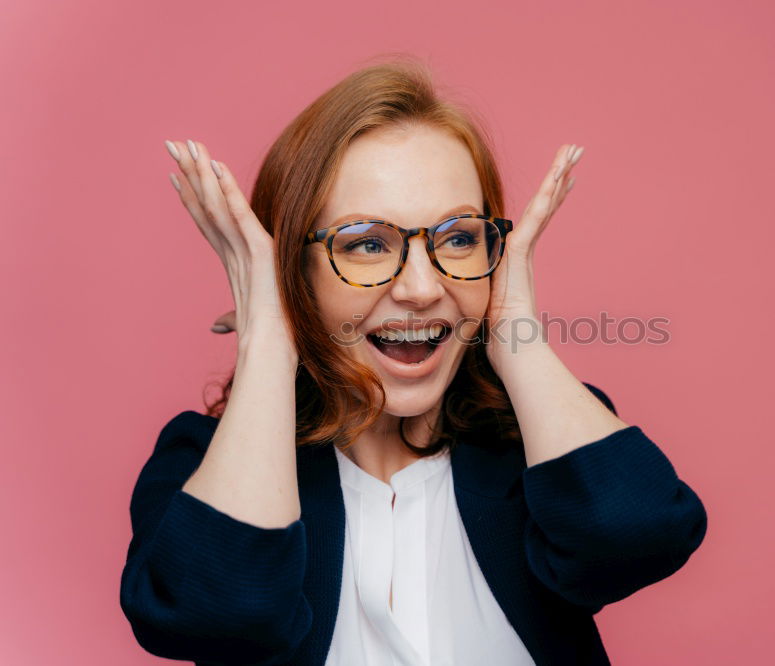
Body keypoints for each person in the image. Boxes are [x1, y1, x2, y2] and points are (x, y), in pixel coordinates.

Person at [119, 58, 708, 666]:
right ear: (293, 272)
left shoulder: (536, 445)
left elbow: (642, 535)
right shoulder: (201, 462)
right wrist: (270, 337)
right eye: (368, 244)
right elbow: (212, 617)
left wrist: (515, 333)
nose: (423, 289)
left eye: (458, 237)